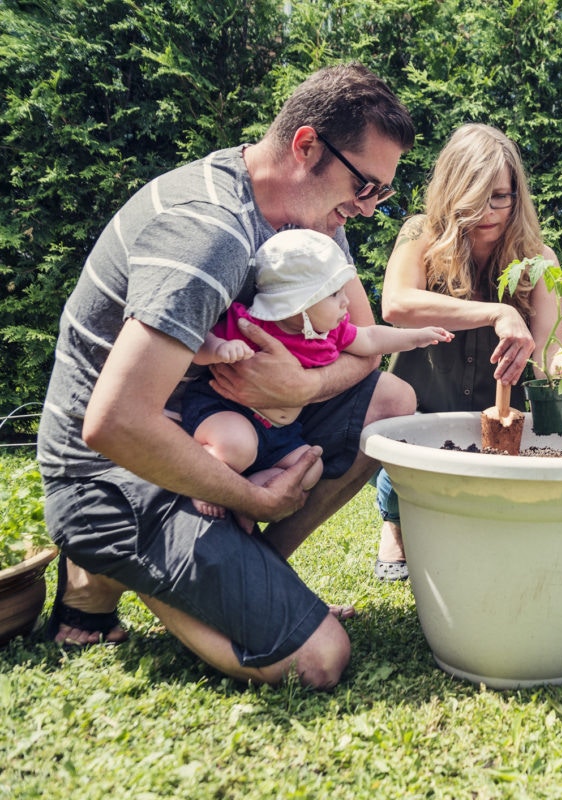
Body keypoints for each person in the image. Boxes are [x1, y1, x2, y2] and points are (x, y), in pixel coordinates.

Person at [36, 62, 417, 689]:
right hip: (114, 469)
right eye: (364, 185)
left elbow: (363, 350)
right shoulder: (207, 232)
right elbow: (113, 423)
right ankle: (101, 561)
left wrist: (302, 388)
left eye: (380, 194)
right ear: (306, 146)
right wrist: (255, 499)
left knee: (392, 404)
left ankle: (245, 576)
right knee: (320, 661)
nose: (368, 209)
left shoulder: (313, 223)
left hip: (218, 426)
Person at [372, 123, 562, 581]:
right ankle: (393, 525)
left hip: (497, 417)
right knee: (406, 478)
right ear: (452, 190)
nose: (489, 212)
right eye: (475, 198)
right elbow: (396, 305)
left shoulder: (538, 259)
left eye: (500, 196)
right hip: (424, 405)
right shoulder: (422, 232)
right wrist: (494, 312)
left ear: (517, 195)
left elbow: (551, 352)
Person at [183, 229, 452, 529]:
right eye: (333, 294)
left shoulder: (328, 333)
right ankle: (205, 477)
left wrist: (417, 337)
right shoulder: (250, 324)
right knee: (237, 446)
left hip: (279, 433)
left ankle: (250, 493)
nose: (345, 302)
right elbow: (197, 345)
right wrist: (219, 349)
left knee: (309, 467)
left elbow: (372, 338)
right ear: (300, 302)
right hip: (228, 412)